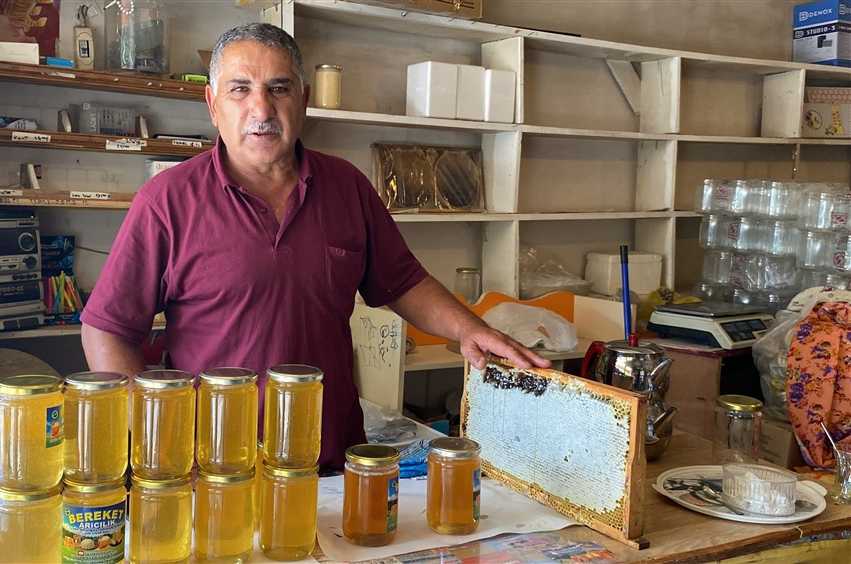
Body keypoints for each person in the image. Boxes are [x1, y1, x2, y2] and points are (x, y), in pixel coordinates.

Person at [80, 22, 550, 471]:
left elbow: (402, 282)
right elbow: (107, 329)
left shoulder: (347, 187)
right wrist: (155, 430)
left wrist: (467, 328)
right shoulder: (167, 200)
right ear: (212, 103)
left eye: (279, 88)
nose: (261, 110)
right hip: (214, 465)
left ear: (304, 100)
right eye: (239, 89)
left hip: (331, 459)